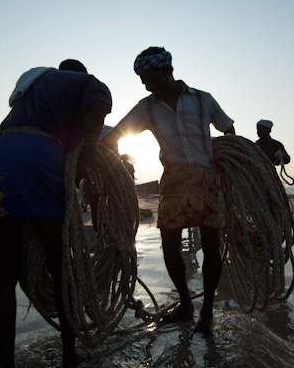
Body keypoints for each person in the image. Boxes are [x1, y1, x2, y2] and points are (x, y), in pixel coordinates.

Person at [0, 65, 112, 368]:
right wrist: (87, 156)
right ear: (79, 72)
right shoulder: (90, 83)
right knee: (60, 264)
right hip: (40, 154)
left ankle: (7, 366)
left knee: (6, 269)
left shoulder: (32, 83)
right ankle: (69, 356)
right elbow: (95, 113)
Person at [100, 46, 235, 335]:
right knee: (170, 247)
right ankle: (186, 304)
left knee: (212, 246)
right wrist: (97, 156)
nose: (149, 86)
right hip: (173, 182)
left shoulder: (203, 100)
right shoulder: (146, 107)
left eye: (151, 79)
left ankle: (207, 312)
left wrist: (229, 158)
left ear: (168, 71)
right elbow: (115, 135)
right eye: (143, 82)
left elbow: (228, 129)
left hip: (208, 179)